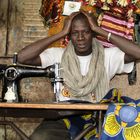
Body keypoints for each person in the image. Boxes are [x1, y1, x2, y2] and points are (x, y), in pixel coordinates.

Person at [17, 10, 140, 140]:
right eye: (75, 33)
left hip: (96, 117)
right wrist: (61, 33)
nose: (80, 37)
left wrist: (101, 31)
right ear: (69, 35)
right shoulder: (57, 55)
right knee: (40, 137)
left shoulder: (107, 56)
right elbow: (22, 57)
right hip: (62, 117)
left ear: (93, 33)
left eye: (86, 31)